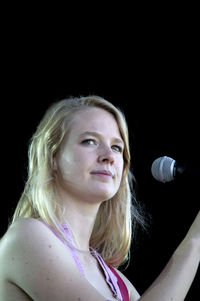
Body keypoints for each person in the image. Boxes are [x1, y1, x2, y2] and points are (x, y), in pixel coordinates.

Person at [0, 95, 199, 301]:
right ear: (53, 159)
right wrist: (195, 240)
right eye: (89, 141)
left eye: (116, 147)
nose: (109, 156)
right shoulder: (26, 236)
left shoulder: (115, 279)